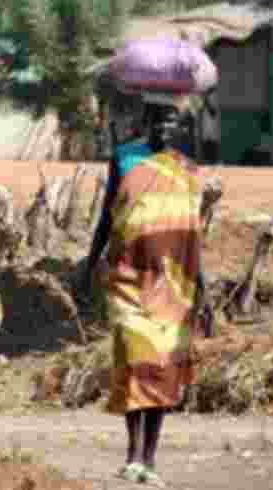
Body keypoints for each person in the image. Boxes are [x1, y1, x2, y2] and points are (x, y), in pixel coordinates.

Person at [75, 92, 213, 487]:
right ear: (145, 121)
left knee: (164, 368)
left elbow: (191, 233)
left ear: (178, 127)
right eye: (158, 119)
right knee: (136, 360)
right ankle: (132, 455)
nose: (164, 126)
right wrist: (88, 265)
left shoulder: (186, 169)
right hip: (129, 277)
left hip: (173, 283)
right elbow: (106, 214)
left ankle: (149, 459)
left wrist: (202, 289)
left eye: (171, 121)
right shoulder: (124, 158)